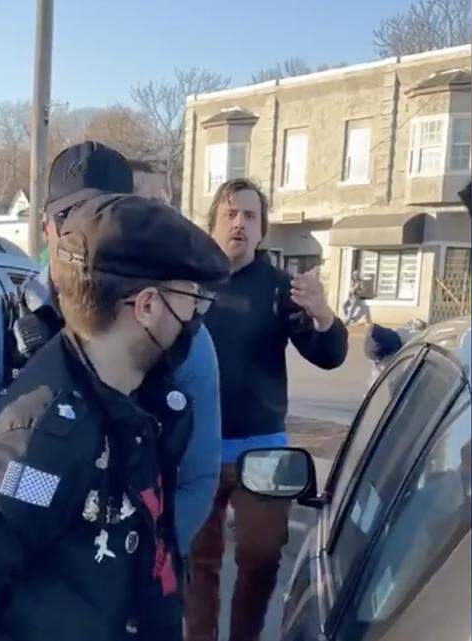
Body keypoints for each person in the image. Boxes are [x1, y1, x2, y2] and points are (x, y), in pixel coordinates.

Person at [0, 194, 230, 641]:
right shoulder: (44, 439)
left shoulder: (130, 400)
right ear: (146, 306)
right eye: (191, 301)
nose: (195, 319)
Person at [0, 141, 223, 559]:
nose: (80, 235)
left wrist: (125, 563)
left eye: (101, 216)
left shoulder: (180, 337)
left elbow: (197, 479)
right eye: (67, 217)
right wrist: (73, 556)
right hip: (20, 593)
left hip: (137, 590)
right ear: (45, 225)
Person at [186, 178, 349, 641]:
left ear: (262, 230)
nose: (240, 223)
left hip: (263, 452)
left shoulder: (281, 289)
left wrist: (324, 316)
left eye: (250, 216)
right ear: (213, 223)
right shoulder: (190, 281)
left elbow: (329, 354)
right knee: (199, 559)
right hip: (198, 446)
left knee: (261, 554)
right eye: (231, 214)